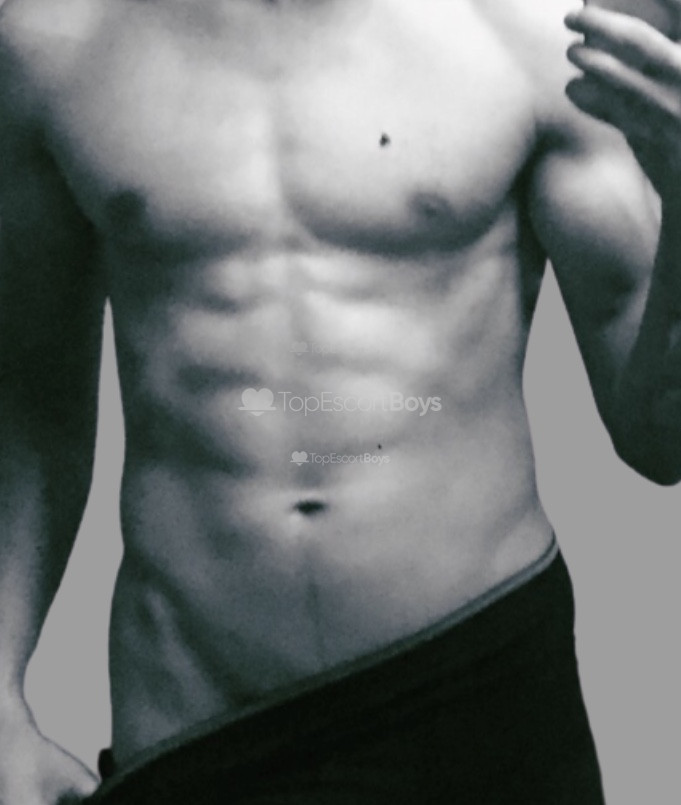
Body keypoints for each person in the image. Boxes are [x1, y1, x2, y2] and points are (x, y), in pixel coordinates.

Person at [1, 0, 680, 802]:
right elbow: (32, 409)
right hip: (196, 714)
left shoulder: (540, 38)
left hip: (476, 693)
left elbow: (658, 439)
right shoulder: (53, 41)